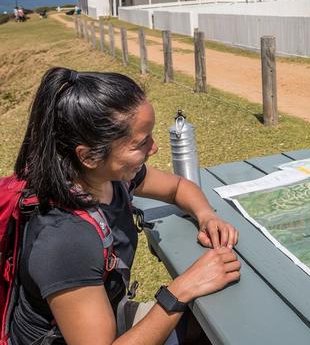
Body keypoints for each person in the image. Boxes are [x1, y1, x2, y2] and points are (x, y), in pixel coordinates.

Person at [11, 67, 241, 345]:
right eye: (141, 142)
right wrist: (181, 289)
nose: (154, 148)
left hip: (109, 319)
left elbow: (178, 187)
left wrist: (206, 216)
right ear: (89, 156)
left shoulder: (109, 178)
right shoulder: (66, 241)